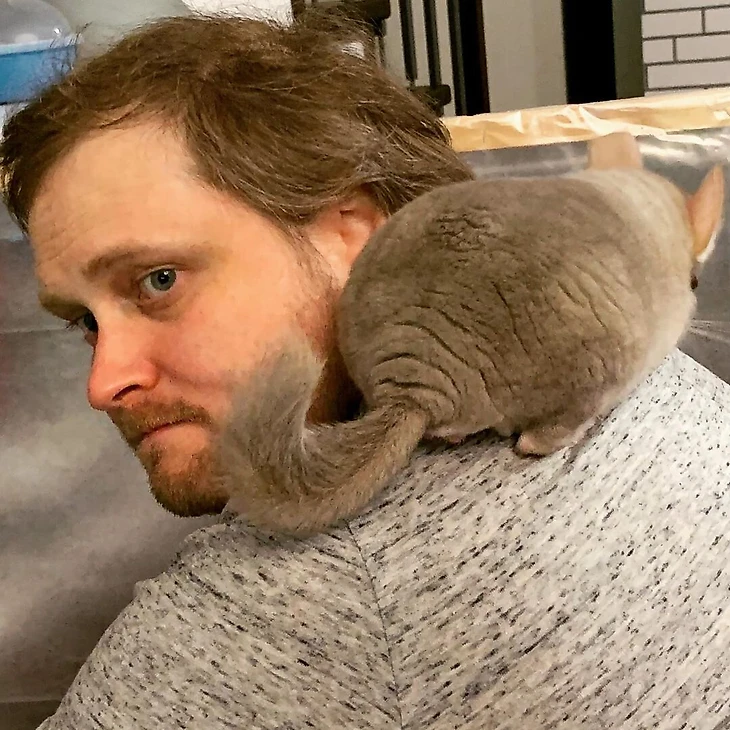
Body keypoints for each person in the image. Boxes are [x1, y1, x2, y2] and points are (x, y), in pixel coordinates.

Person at [3, 10, 730, 730]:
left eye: (158, 280)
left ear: (358, 235)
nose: (103, 383)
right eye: (86, 322)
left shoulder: (298, 612)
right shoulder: (652, 373)